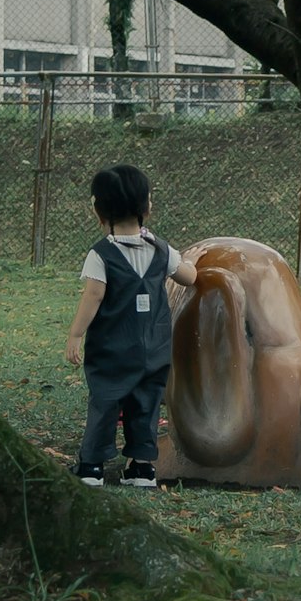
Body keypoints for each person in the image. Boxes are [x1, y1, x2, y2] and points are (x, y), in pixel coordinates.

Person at [62, 163, 186, 486]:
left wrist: (76, 333)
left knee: (104, 402)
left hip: (111, 352)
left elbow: (93, 296)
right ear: (147, 207)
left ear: (98, 213)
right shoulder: (161, 249)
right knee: (145, 404)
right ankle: (141, 468)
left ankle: (91, 466)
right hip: (155, 350)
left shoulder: (101, 255)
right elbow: (188, 276)